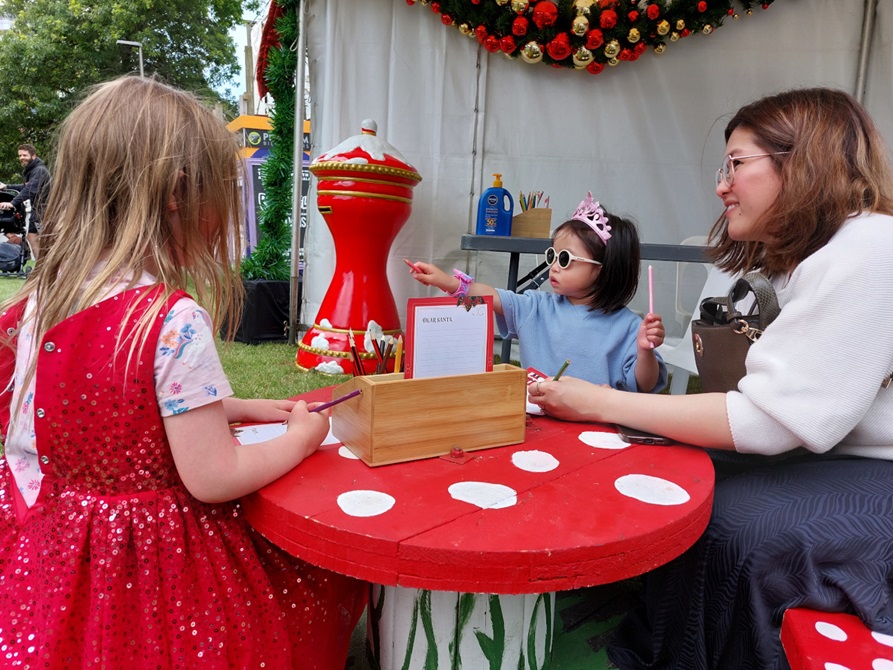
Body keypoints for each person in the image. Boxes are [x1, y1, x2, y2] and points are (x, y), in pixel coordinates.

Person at [0, 76, 366, 668]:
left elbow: (100, 413)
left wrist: (235, 407)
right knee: (302, 588)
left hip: (63, 545)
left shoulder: (43, 299)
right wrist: (302, 437)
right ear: (177, 194)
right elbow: (214, 477)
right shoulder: (168, 318)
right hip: (153, 559)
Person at [530, 87, 893, 669]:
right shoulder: (828, 254)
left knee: (728, 523)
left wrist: (599, 401)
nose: (722, 185)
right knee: (675, 469)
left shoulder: (870, 249)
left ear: (803, 161)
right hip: (843, 455)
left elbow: (767, 421)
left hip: (877, 475)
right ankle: (657, 635)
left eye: (737, 164)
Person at [408, 194, 667, 392]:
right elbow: (492, 297)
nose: (553, 266)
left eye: (565, 258)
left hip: (596, 432)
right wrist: (448, 282)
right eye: (552, 255)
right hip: (537, 426)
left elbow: (643, 385)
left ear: (603, 268)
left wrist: (645, 350)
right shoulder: (536, 308)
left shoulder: (630, 328)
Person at [0, 144, 49, 260]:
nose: (22, 157)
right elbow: (25, 186)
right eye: (20, 155)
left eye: (25, 155)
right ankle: (41, 267)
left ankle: (46, 267)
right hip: (38, 209)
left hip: (45, 209)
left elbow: (30, 190)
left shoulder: (39, 170)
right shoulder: (33, 170)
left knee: (46, 238)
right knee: (32, 236)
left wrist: (12, 203)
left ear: (33, 156)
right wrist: (6, 187)